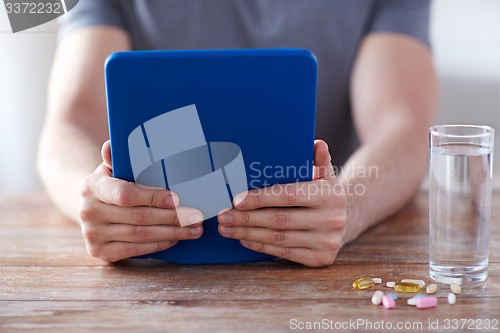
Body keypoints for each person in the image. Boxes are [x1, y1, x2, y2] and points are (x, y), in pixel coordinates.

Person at [38, 0, 437, 267]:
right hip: (153, 270)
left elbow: (401, 126)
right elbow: (70, 123)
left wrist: (349, 207)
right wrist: (90, 198)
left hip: (305, 261)